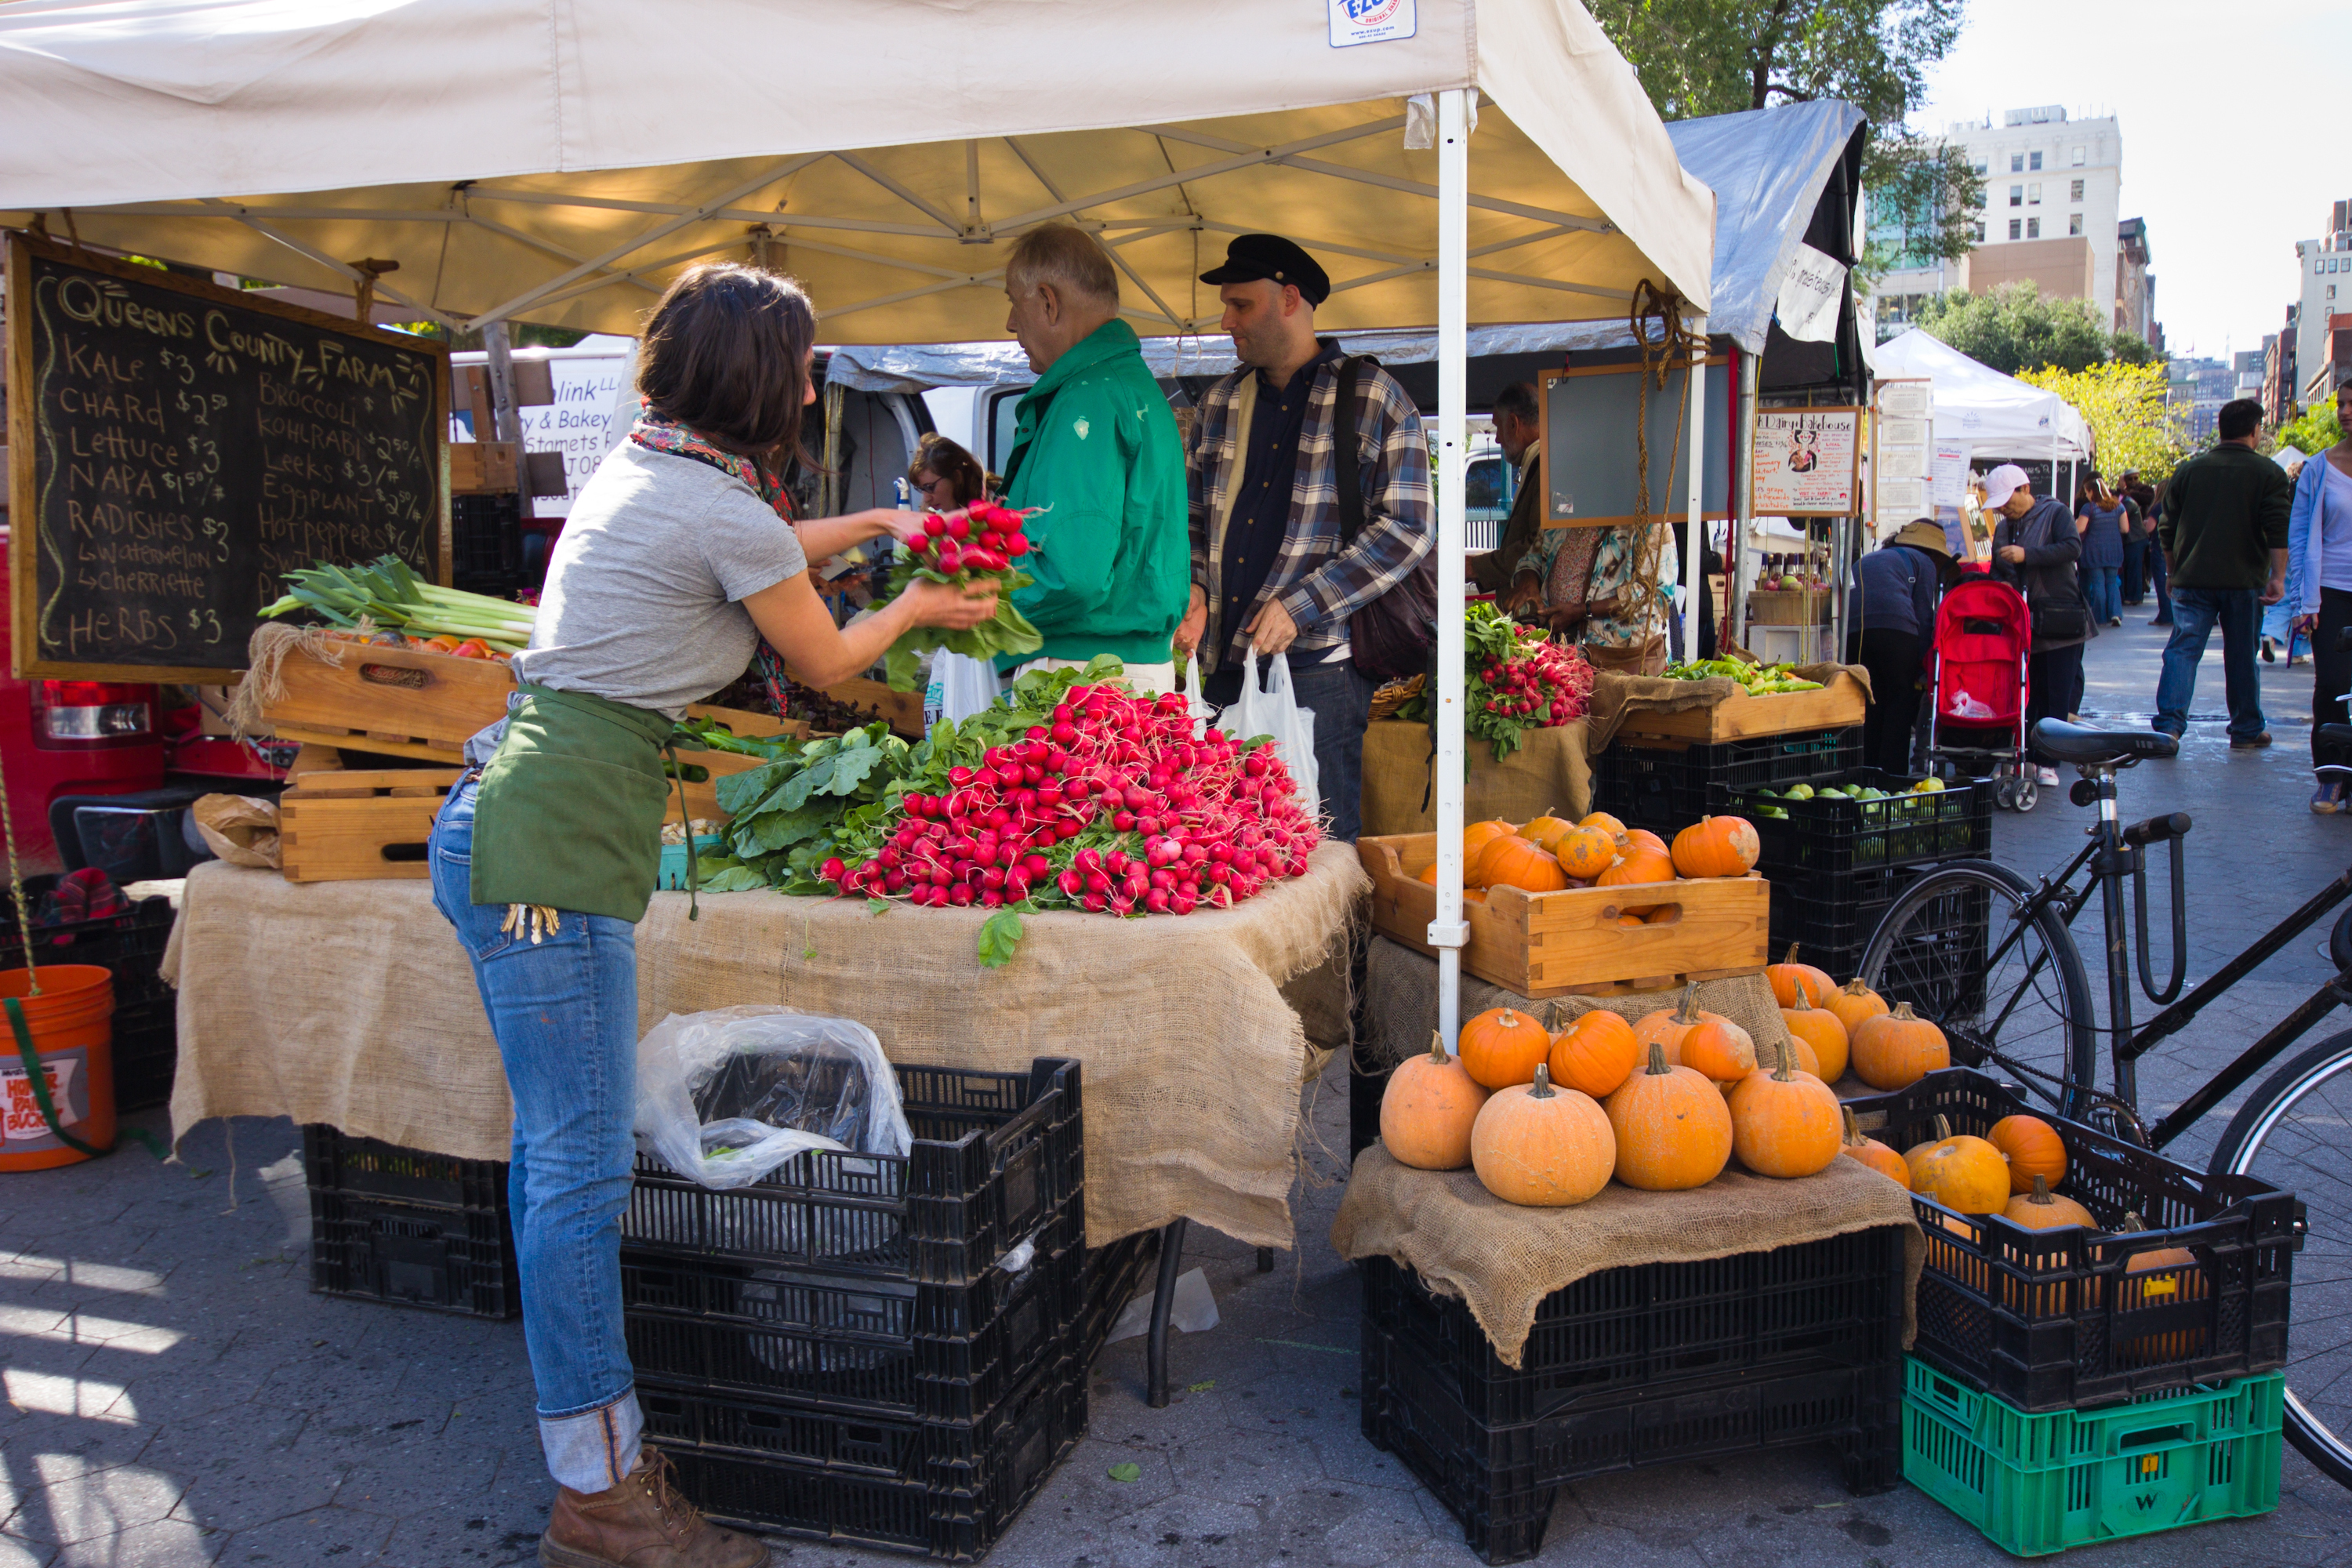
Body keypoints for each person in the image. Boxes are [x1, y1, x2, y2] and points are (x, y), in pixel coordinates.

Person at [426, 263, 999, 1568]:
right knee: (574, 1179)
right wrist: (914, 601)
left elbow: (757, 547)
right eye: (801, 366)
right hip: (549, 852)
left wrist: (872, 530)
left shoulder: (658, 466)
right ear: (760, 376)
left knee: (558, 1165)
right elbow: (827, 660)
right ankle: (599, 1492)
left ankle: (602, 1456)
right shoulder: (710, 499)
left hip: (520, 819)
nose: (809, 387)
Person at [1173, 233, 1434, 841]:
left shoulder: (1372, 397)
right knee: (1224, 846)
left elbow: (1410, 526)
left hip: (1317, 668)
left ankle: (1343, 945)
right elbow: (1192, 515)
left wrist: (1302, 603)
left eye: (1241, 305)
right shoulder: (1220, 403)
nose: (1225, 319)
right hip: (1219, 664)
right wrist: (1195, 586)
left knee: (1321, 848)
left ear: (1289, 299)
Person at [996, 224, 1191, 692]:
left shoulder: (1087, 398)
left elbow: (1073, 574)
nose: (1009, 323)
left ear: (1048, 301)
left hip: (1080, 675)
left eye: (1013, 301)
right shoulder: (1134, 387)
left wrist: (979, 599)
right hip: (1128, 670)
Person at [2154, 397, 2292, 747]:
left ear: (2221, 429)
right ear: (2254, 430)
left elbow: (2166, 529)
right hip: (2244, 579)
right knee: (2242, 655)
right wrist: (2277, 578)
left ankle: (2169, 726)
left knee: (2183, 650)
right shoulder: (2268, 473)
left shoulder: (2188, 470)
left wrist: (2171, 571)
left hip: (2192, 579)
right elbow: (2277, 530)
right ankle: (2246, 728)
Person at [1987, 463, 2091, 787]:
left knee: (2055, 693)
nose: (2004, 508)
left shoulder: (2056, 512)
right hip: (2022, 622)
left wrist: (2027, 555)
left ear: (2025, 490)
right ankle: (2028, 755)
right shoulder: (2004, 528)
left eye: (2008, 500)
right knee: (2026, 692)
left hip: (2060, 618)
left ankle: (2049, 762)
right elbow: (1997, 569)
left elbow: (2072, 548)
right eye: (1999, 504)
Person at [1849, 519, 1958, 773]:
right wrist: (1924, 667)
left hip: (1854, 629)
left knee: (1869, 699)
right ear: (1933, 550)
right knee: (1899, 699)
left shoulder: (1873, 558)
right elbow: (1923, 616)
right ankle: (1891, 774)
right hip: (1896, 628)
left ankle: (1865, 771)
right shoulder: (1925, 562)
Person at [2290, 381, 2352, 811]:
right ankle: (2331, 777)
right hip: (2329, 592)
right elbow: (2299, 538)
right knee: (2332, 684)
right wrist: (2301, 602)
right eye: (2342, 404)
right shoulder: (2318, 467)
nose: (2345, 411)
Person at [1470, 381, 1544, 596]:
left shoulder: (1545, 469)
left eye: (1498, 427)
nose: (1497, 438)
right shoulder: (1537, 465)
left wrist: (1478, 567)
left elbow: (1539, 544)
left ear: (1513, 423)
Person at [2263, 452, 2310, 666]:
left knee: (2282, 600)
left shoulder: (2284, 494)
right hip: (2307, 552)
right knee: (2302, 602)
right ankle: (2297, 651)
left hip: (2285, 549)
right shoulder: (2311, 494)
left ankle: (2270, 634)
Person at [2074, 474, 2127, 627]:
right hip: (2114, 549)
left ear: (2092, 492)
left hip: (2094, 550)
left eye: (2087, 492)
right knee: (2111, 582)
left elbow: (2080, 528)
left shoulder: (2088, 507)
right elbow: (2125, 528)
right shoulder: (2119, 506)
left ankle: (2100, 617)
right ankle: (2116, 613)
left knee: (2097, 583)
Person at [909, 430, 991, 511]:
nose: (926, 499)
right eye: (922, 489)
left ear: (957, 477)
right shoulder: (931, 515)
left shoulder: (994, 504)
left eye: (930, 487)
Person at [2140, 474, 2174, 625]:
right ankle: (2171, 613)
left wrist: (2144, 523)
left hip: (2158, 545)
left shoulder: (2158, 507)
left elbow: (2150, 528)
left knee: (2161, 582)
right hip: (2173, 545)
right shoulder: (2174, 506)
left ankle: (2165, 615)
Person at [2117, 469, 2151, 607]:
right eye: (2129, 479)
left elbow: (2146, 498)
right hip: (2133, 538)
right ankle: (2132, 594)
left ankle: (2135, 595)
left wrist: (2125, 489)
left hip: (2136, 538)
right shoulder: (2126, 501)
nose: (2133, 482)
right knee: (2131, 567)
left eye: (2135, 479)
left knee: (2135, 567)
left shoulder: (2129, 502)